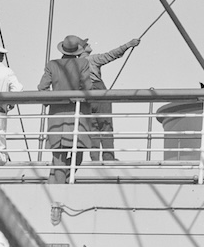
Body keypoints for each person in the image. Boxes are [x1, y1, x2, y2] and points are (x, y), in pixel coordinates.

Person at [38, 35, 94, 183]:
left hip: (56, 115)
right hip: (77, 114)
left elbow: (42, 88)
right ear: (77, 51)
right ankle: (64, 183)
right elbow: (88, 87)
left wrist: (53, 99)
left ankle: (57, 184)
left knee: (58, 155)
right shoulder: (83, 63)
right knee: (78, 153)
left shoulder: (52, 64)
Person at [79, 36, 140, 162]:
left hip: (85, 94)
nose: (89, 44)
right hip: (98, 90)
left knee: (93, 126)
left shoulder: (75, 64)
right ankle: (108, 157)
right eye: (86, 44)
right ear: (81, 49)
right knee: (106, 125)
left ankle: (94, 157)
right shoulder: (92, 59)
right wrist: (128, 45)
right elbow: (111, 55)